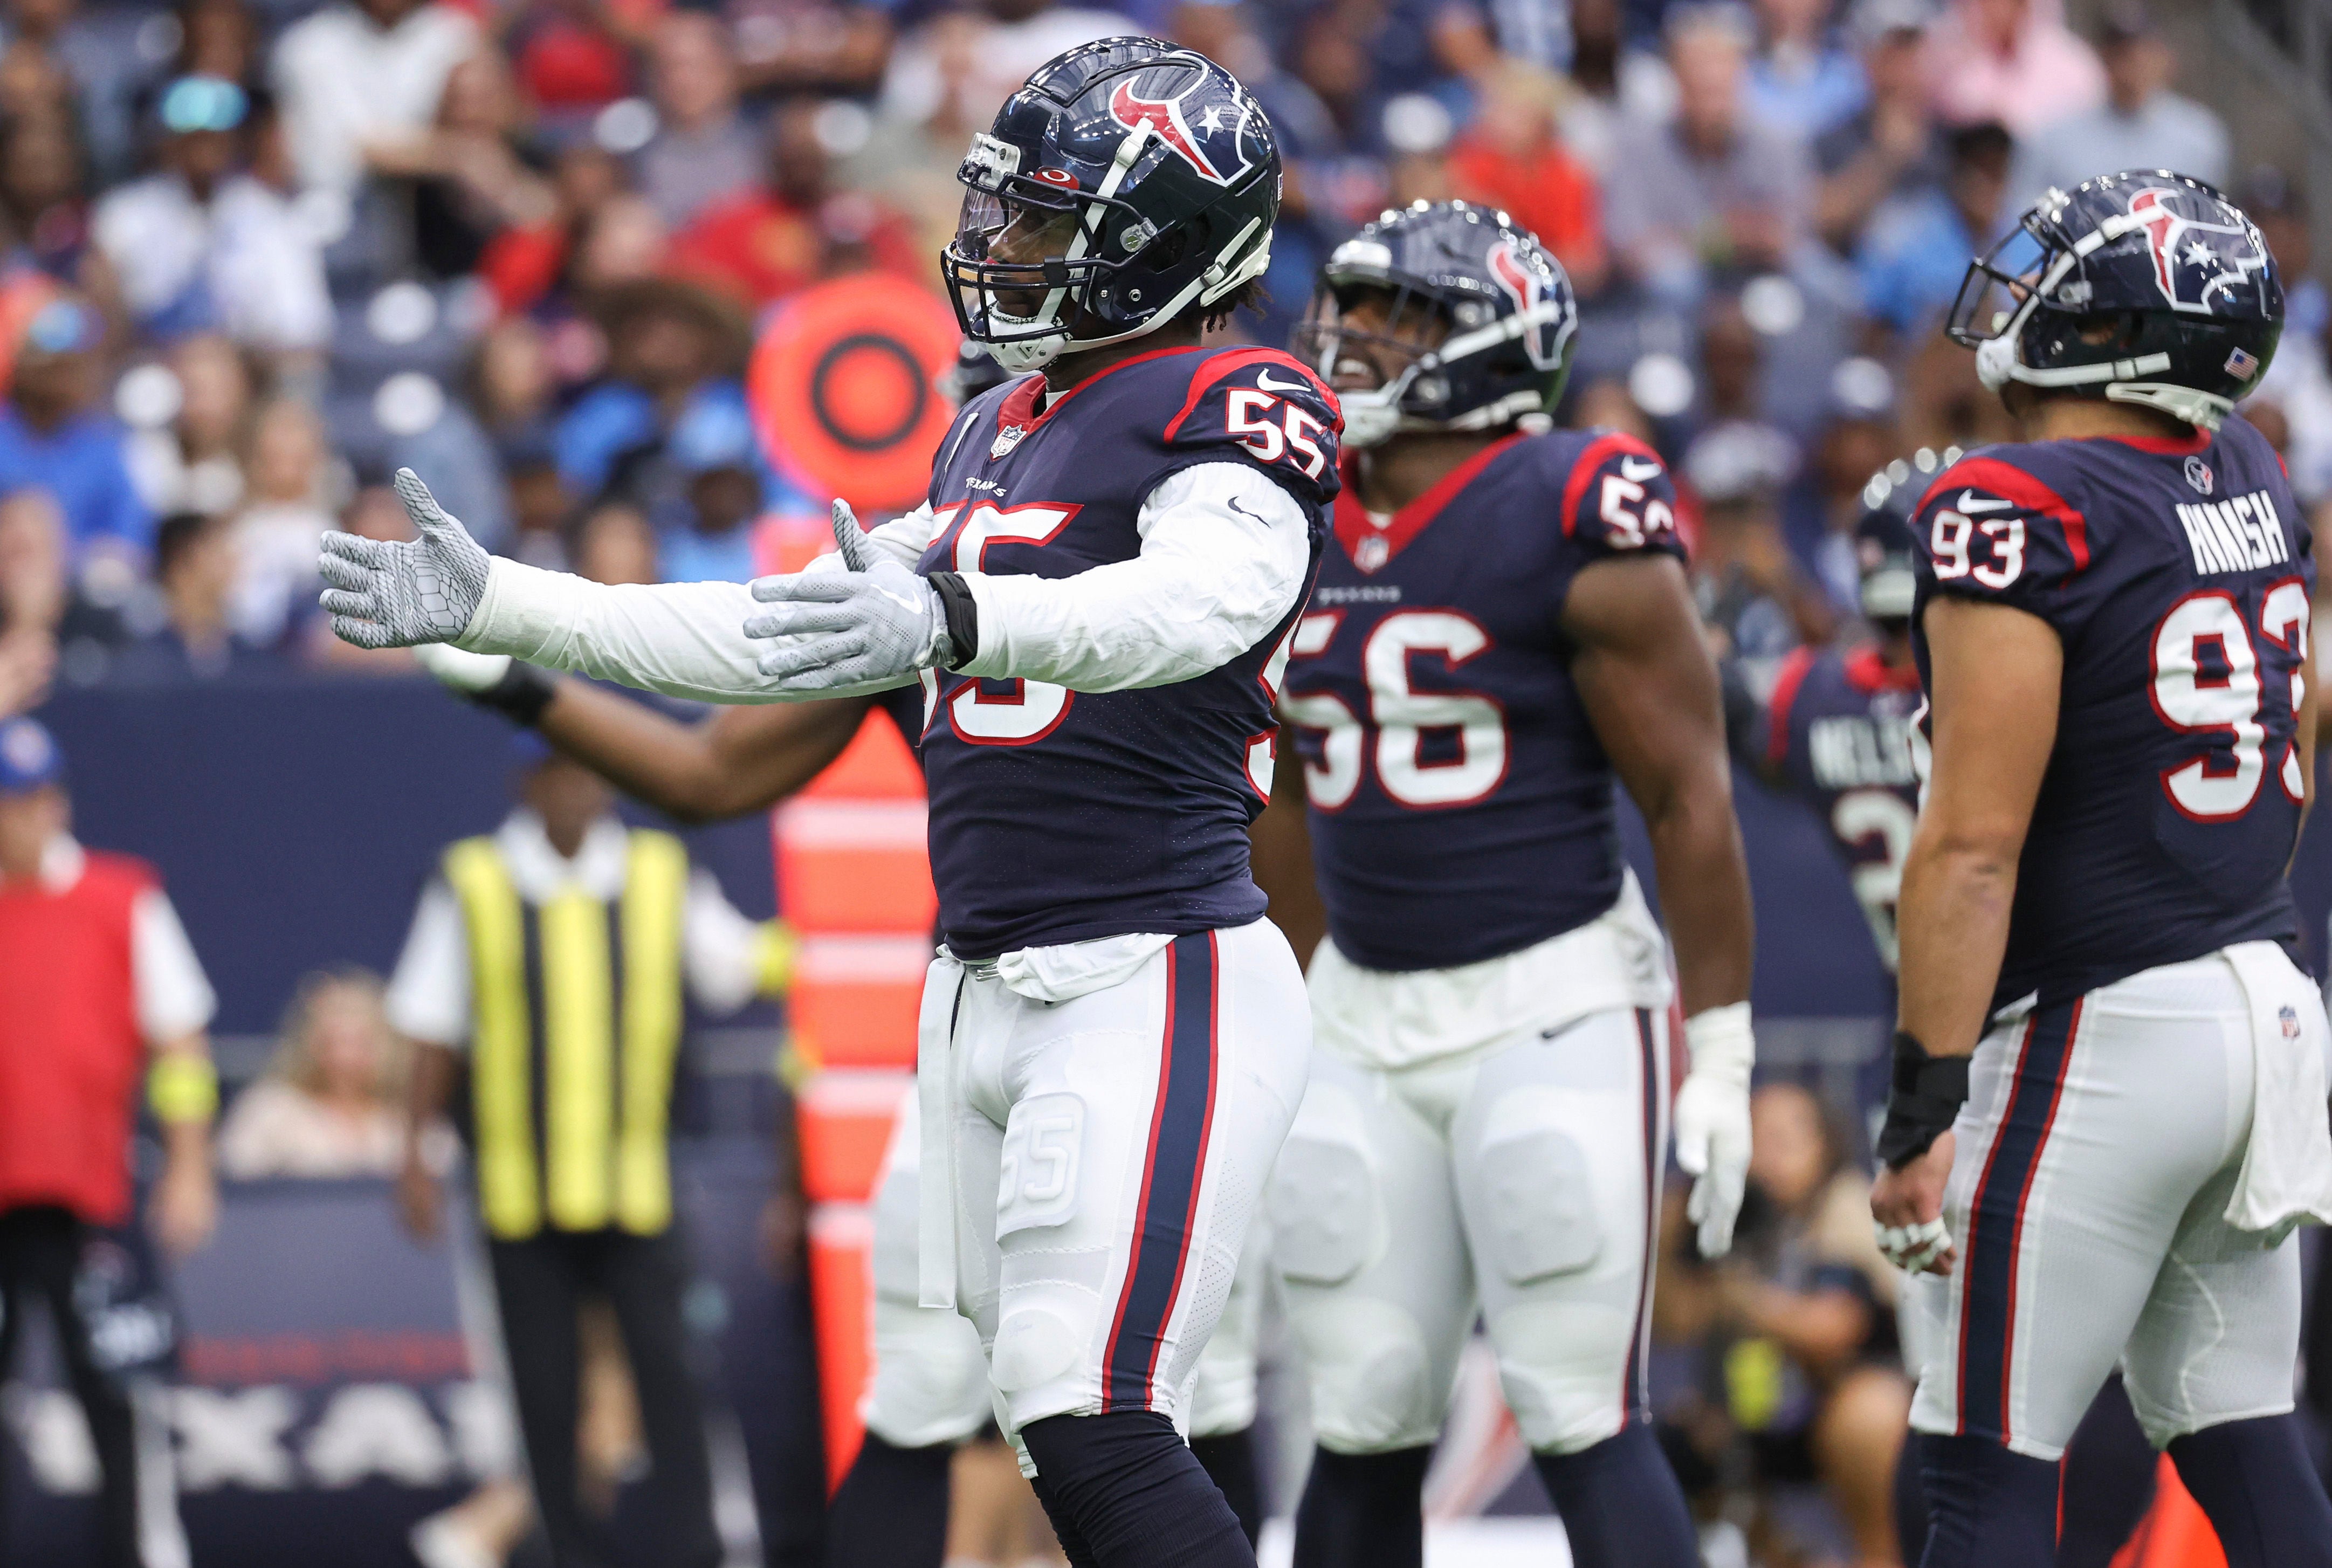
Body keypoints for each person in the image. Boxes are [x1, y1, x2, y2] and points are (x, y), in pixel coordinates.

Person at [324, 37, 1319, 1568]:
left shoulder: (1236, 395)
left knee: (1096, 1413)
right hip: (987, 978)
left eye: (1047, 219)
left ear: (1164, 243)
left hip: (1149, 955)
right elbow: (763, 632)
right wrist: (508, 603)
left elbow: (1202, 602)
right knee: (1025, 1414)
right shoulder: (996, 426)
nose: (1002, 245)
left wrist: (962, 616)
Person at [1261, 200, 1756, 1568]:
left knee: (1574, 1403)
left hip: (1552, 997)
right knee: (1360, 1409)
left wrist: (1719, 1047)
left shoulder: (1567, 501)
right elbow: (1286, 794)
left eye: (1393, 314)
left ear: (1492, 342)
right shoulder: (1286, 514)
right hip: (1358, 1007)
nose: (1348, 337)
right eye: (1348, 307)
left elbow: (1686, 792)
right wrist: (1273, 1014)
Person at [1870, 169, 2332, 1568]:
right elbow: (2293, 732)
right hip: (2260, 997)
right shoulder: (2247, 467)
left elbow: (1968, 845)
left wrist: (1918, 1106)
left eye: (2054, 280)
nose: (2019, 300)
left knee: (1979, 1469)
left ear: (2119, 328)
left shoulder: (2009, 498)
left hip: (2101, 1027)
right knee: (2244, 1443)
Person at [383, 737, 793, 1568]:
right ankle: (567, 1553)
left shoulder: (659, 873)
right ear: (526, 784)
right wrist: (416, 1153)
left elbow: (737, 966)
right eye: (559, 773)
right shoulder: (474, 880)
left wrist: (837, 937)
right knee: (544, 1393)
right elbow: (431, 1028)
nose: (576, 789)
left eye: (589, 772)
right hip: (517, 1192)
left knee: (671, 1383)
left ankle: (696, 1553)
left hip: (637, 1186)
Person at [0, 713, 216, 1568]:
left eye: (38, 798)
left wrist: (190, 1167)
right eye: (12, 802)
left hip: (95, 1198)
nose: (29, 817)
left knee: (122, 1397)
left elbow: (180, 1042)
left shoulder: (121, 897)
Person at [2001, 3, 2228, 219]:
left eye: (2143, 53)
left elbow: (2215, 222)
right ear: (2103, 57)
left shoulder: (2200, 138)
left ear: (2164, 57)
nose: (2132, 65)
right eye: (2121, 54)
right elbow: (2025, 215)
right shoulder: (2053, 137)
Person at [216, 966, 436, 1179]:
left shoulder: (413, 1115)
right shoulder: (268, 1110)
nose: (345, 1058)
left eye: (360, 1043)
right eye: (332, 1043)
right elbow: (236, 1178)